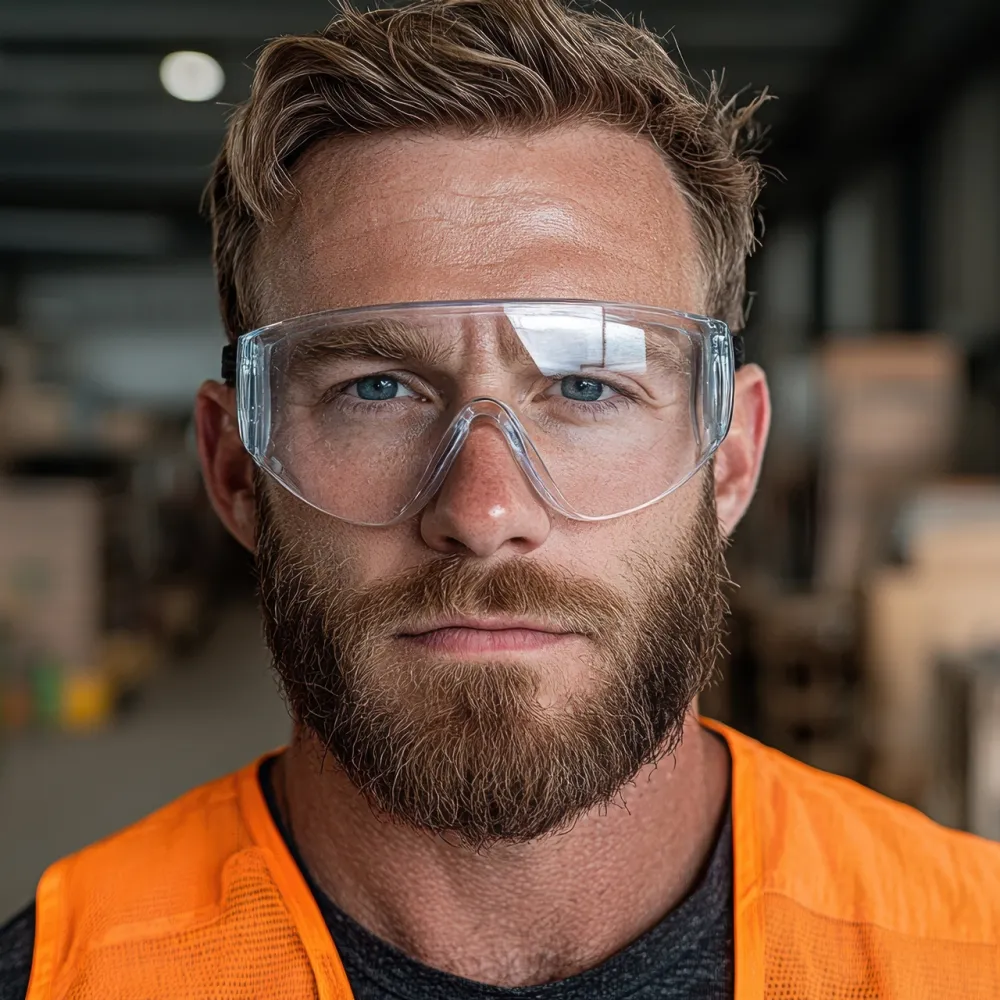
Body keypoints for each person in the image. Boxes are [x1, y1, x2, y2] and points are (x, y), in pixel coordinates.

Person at [3, 0, 1000, 996]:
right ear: (234, 471)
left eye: (587, 388)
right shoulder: (66, 977)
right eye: (375, 389)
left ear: (731, 458)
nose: (483, 514)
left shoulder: (966, 954)